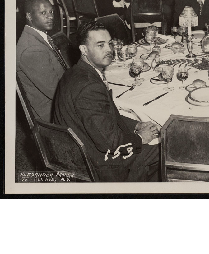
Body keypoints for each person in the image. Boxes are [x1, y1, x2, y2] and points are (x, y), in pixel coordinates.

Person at [53, 21, 160, 182]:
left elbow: (106, 115)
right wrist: (140, 138)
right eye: (100, 45)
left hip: (85, 146)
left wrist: (136, 125)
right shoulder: (88, 87)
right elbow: (110, 144)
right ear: (84, 49)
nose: (109, 50)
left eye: (109, 44)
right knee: (165, 148)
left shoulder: (79, 72)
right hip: (96, 163)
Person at [17, 0, 68, 122]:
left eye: (51, 12)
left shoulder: (37, 36)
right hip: (51, 115)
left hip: (59, 102)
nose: (50, 16)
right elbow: (56, 92)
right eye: (43, 13)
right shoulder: (32, 49)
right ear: (29, 16)